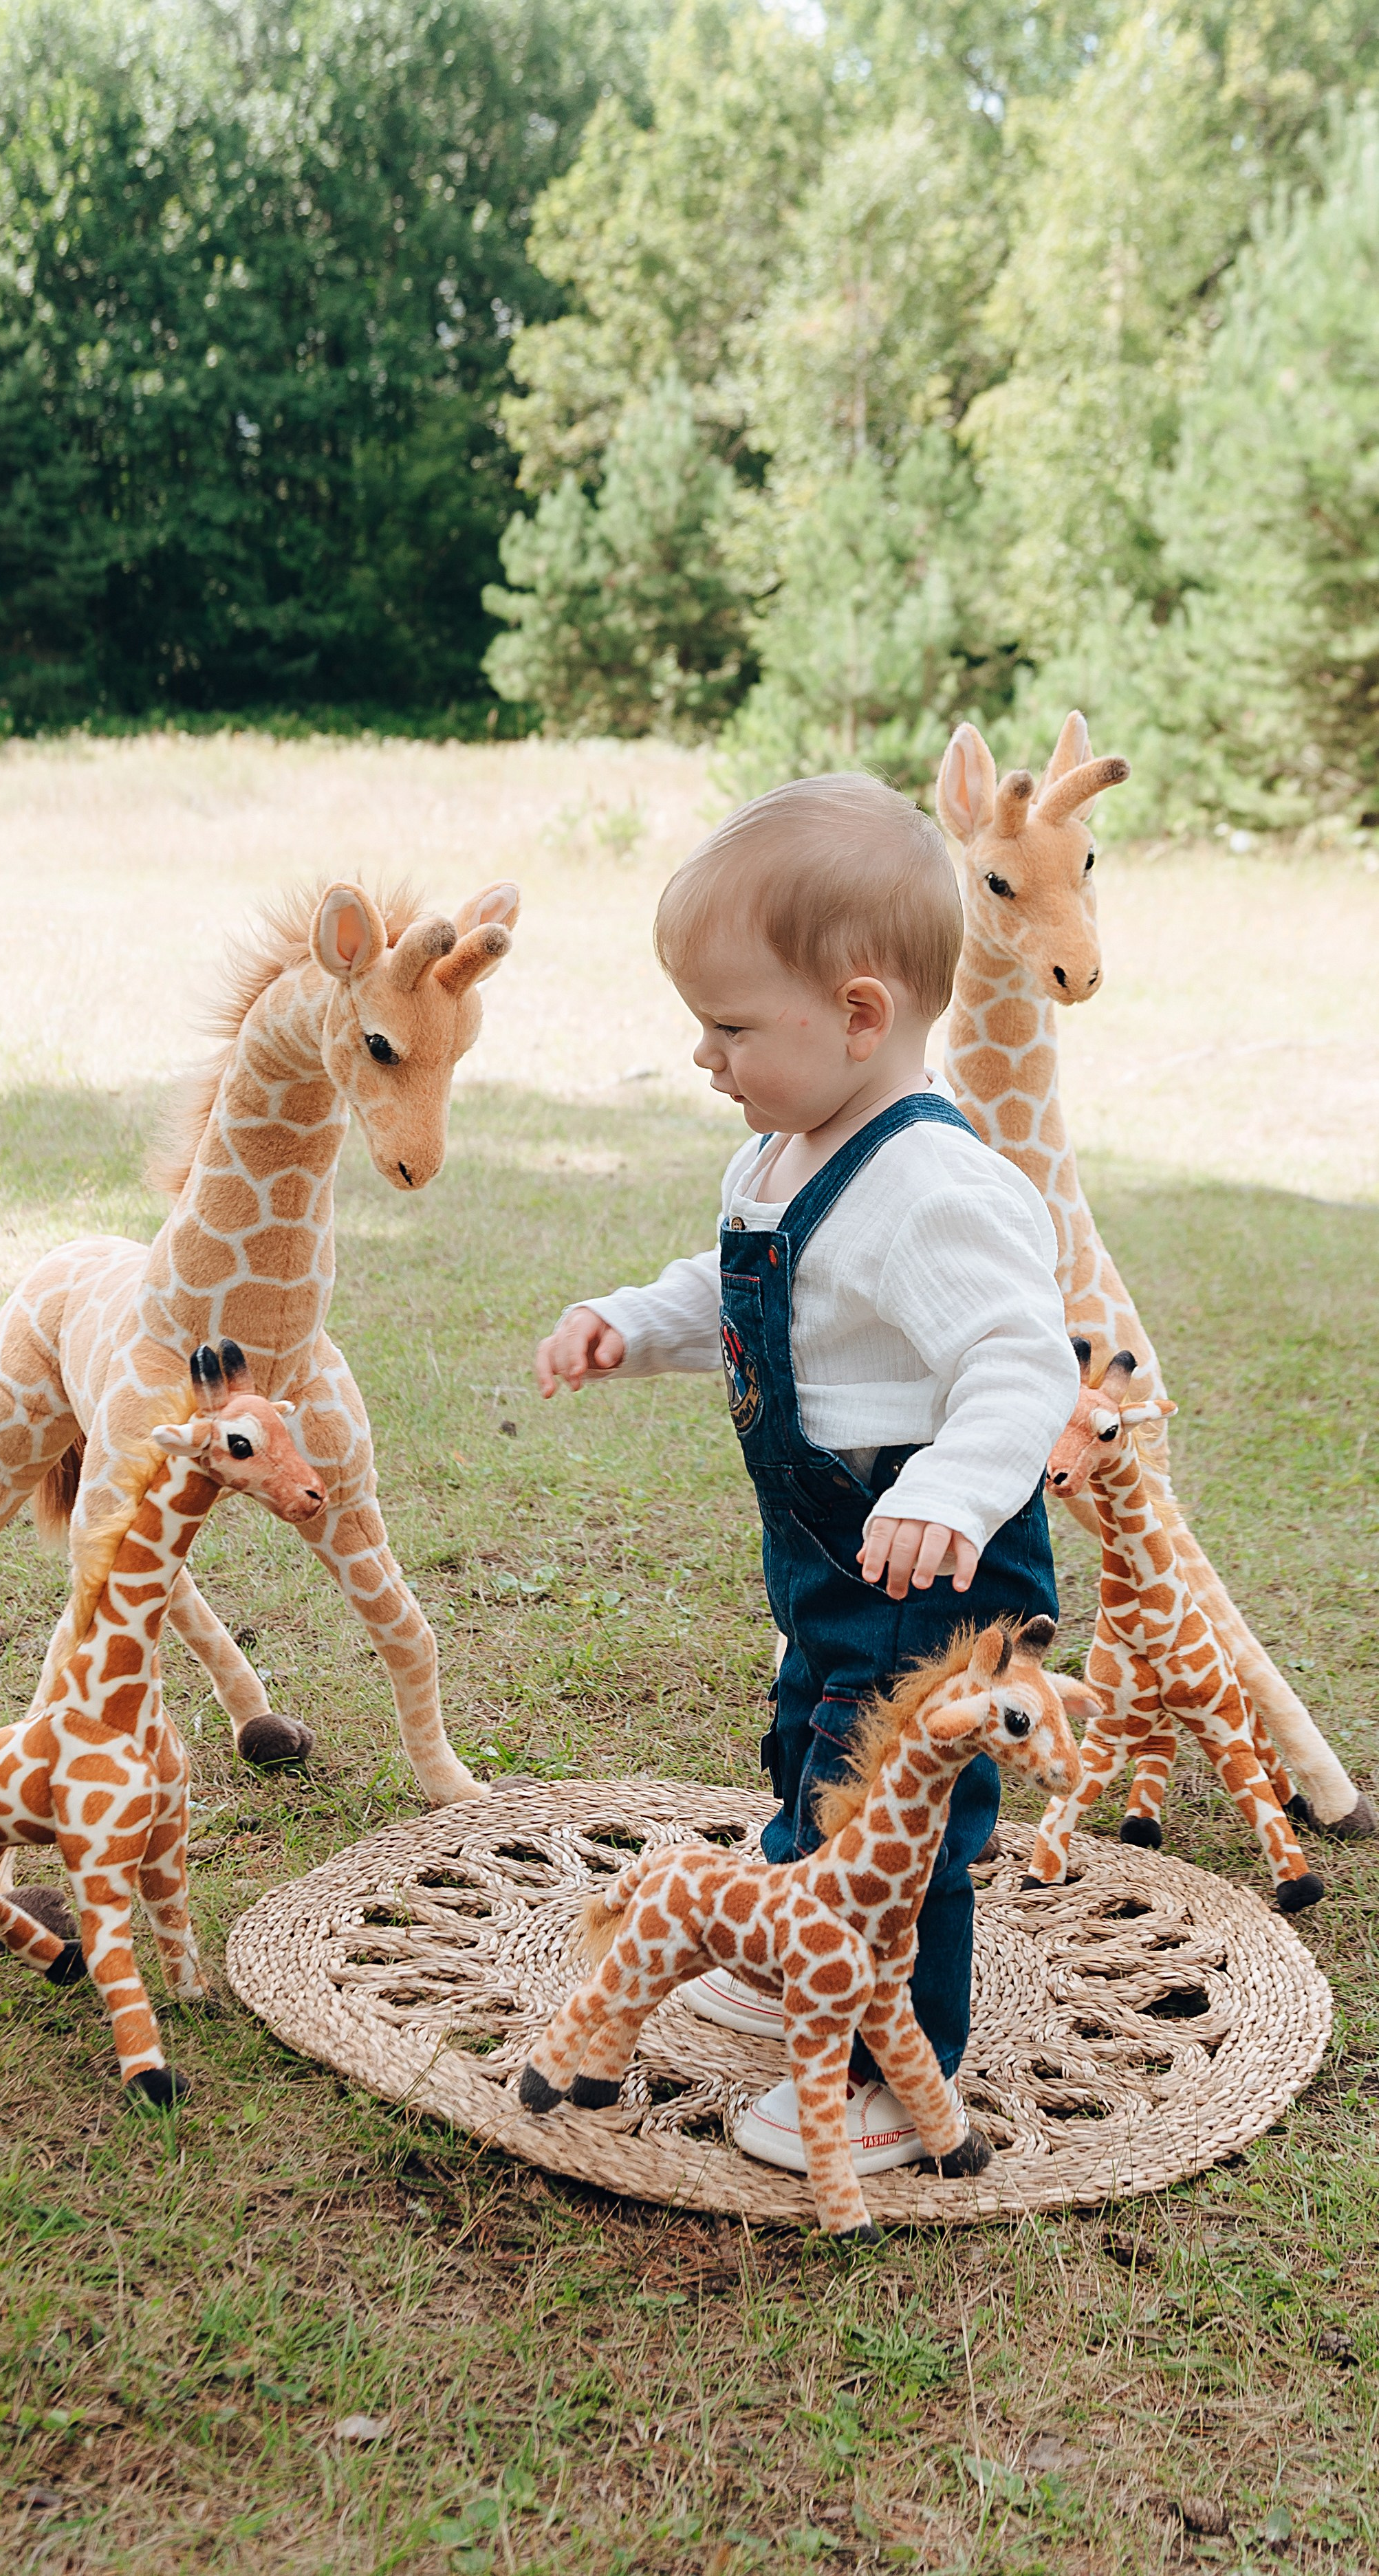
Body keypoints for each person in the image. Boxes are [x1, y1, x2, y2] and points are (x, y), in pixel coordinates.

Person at [532, 774, 1077, 2176]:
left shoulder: (933, 1186)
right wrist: (629, 1323)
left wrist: (952, 1488)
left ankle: (895, 2067)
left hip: (934, 1565)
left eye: (728, 1026)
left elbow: (1024, 1357)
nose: (702, 1055)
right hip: (837, 1557)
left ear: (857, 1014)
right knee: (810, 1749)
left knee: (901, 1809)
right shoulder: (782, 1149)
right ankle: (796, 1942)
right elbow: (732, 1287)